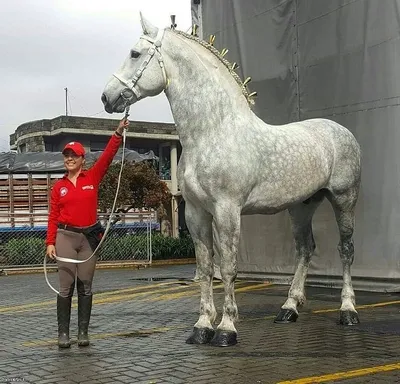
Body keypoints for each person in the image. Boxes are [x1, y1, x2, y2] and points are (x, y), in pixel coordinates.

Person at [46, 118, 129, 348]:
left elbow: (108, 155)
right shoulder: (58, 186)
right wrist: (50, 242)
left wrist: (118, 132)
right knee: (65, 287)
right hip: (65, 238)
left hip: (88, 240)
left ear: (83, 159)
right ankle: (63, 334)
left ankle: (83, 332)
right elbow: (53, 216)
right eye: (66, 155)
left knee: (86, 285)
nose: (69, 158)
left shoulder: (92, 177)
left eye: (74, 155)